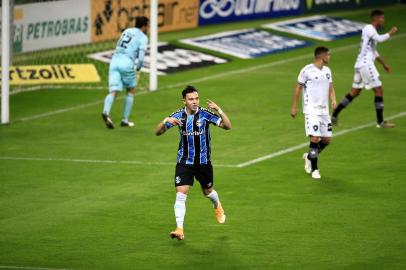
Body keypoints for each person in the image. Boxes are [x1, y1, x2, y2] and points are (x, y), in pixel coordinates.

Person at [155, 85, 232, 240]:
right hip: (184, 161)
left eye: (196, 98)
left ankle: (217, 206)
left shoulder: (204, 114)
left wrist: (219, 110)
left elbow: (227, 126)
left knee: (208, 192)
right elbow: (158, 132)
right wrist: (165, 121)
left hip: (203, 162)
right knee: (181, 194)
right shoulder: (178, 116)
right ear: (184, 101)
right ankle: (179, 229)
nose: (195, 102)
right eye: (191, 99)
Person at [332, 10, 398, 128]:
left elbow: (373, 51)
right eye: (382, 18)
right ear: (376, 18)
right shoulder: (369, 28)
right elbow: (379, 39)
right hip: (365, 64)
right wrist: (390, 33)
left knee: (354, 93)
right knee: (378, 90)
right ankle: (380, 122)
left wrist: (383, 64)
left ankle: (335, 114)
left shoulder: (370, 32)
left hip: (360, 64)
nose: (383, 20)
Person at [291, 47, 337, 180]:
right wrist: (294, 107)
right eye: (328, 54)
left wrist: (333, 100)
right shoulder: (307, 71)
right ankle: (315, 170)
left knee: (327, 140)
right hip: (311, 110)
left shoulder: (327, 71)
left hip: (324, 111)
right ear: (322, 56)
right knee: (315, 138)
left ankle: (309, 156)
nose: (329, 56)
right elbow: (298, 88)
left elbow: (331, 87)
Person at [101, 16, 149, 129]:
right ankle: (125, 120)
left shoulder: (127, 31)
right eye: (147, 26)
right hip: (127, 63)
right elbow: (141, 58)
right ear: (143, 26)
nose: (148, 28)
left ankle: (106, 112)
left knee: (114, 91)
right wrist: (138, 68)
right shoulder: (143, 37)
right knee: (131, 90)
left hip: (114, 61)